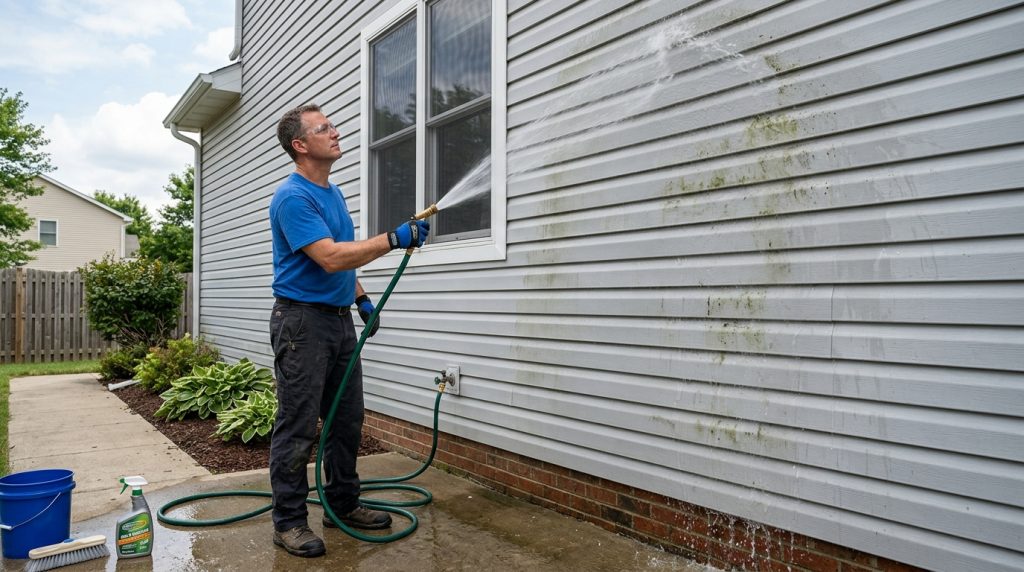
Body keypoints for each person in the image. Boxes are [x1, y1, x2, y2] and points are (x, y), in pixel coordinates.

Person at [268, 103, 429, 557]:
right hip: (301, 323)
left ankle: (342, 504)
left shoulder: (332, 193)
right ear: (300, 146)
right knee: (298, 427)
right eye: (324, 129)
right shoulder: (293, 198)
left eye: (332, 126)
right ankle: (289, 523)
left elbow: (344, 256)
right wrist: (392, 240)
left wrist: (360, 299)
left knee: (346, 420)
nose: (335, 133)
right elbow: (330, 256)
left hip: (336, 320)